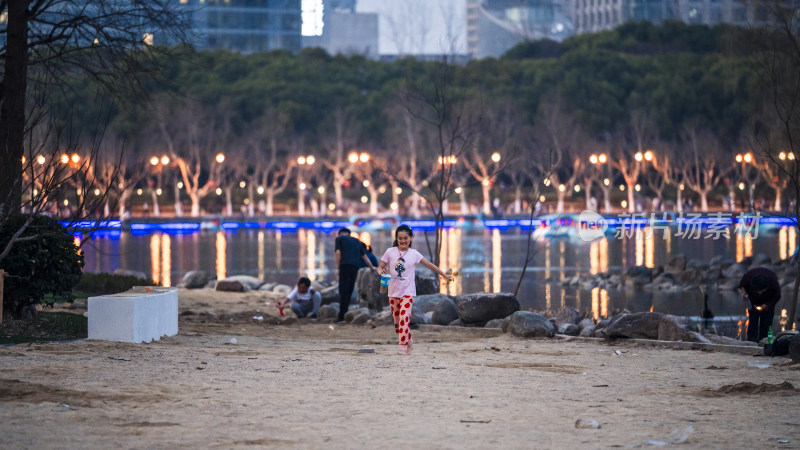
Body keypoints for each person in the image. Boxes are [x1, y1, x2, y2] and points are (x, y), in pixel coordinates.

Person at [378, 224, 454, 355]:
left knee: (404, 319)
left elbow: (429, 265)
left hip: (408, 292)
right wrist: (381, 271)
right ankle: (409, 340)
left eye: (405, 238)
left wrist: (444, 275)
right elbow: (380, 266)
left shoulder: (414, 254)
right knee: (397, 324)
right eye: (400, 238)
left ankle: (402, 349)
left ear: (411, 238)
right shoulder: (390, 252)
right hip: (392, 292)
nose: (403, 241)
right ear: (396, 238)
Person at [335, 228, 376, 323]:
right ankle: (344, 312)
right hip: (355, 267)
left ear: (341, 234)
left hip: (344, 265)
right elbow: (364, 256)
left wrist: (338, 268)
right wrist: (372, 268)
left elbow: (338, 253)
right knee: (349, 289)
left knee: (343, 290)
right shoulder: (357, 241)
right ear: (349, 234)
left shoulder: (339, 239)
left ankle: (341, 316)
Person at [739, 267, 781, 343]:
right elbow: (742, 285)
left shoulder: (773, 282)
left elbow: (777, 297)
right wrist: (744, 293)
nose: (760, 293)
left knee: (767, 323)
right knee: (752, 322)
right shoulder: (747, 278)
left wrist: (767, 305)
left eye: (761, 291)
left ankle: (765, 342)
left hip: (768, 300)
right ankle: (751, 342)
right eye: (758, 291)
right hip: (753, 299)